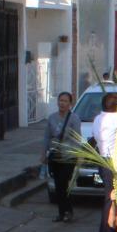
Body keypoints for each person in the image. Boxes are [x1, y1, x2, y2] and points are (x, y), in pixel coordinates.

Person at [41, 91, 80, 224]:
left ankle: (69, 211)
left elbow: (77, 138)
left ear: (70, 104)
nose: (62, 103)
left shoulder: (74, 118)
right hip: (55, 155)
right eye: (60, 100)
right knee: (58, 185)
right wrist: (43, 153)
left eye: (65, 101)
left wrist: (78, 155)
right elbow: (47, 136)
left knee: (64, 183)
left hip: (69, 156)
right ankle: (61, 212)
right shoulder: (52, 118)